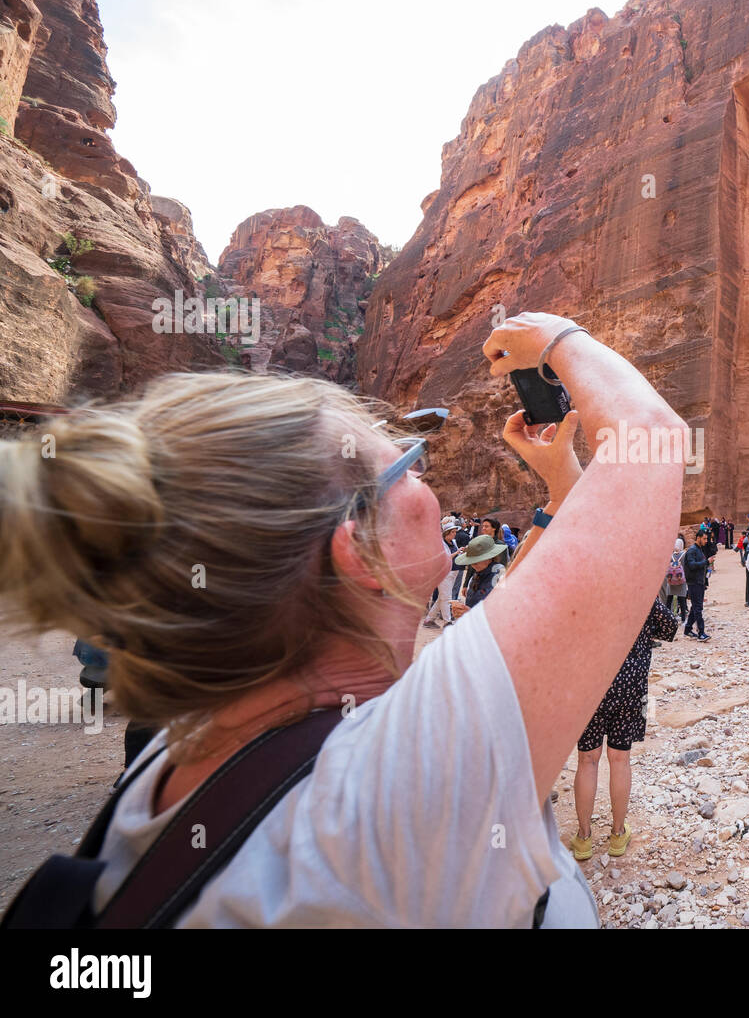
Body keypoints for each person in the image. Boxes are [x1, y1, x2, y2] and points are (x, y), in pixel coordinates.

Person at [0, 311, 687, 928]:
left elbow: (516, 608)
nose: (432, 488)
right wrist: (559, 338)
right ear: (358, 547)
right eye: (410, 469)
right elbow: (652, 441)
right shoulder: (399, 791)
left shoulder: (184, 752)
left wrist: (563, 483)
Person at [570, 599, 679, 861]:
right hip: (630, 687)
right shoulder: (639, 590)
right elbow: (671, 628)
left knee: (587, 760)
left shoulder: (583, 592)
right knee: (620, 759)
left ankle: (584, 838)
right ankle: (618, 833)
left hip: (589, 686)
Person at [421, 516, 462, 628]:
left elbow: (455, 554)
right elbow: (445, 557)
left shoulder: (453, 542)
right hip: (444, 573)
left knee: (442, 597)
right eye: (453, 532)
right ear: (447, 533)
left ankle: (428, 620)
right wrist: (457, 552)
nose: (455, 534)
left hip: (454, 572)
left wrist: (461, 552)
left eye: (455, 532)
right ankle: (447, 622)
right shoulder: (440, 544)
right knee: (446, 597)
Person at [683, 529, 712, 641]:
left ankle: (687, 629)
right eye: (704, 538)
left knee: (695, 607)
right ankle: (701, 633)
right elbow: (691, 565)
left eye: (706, 539)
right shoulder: (692, 550)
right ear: (698, 538)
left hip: (699, 583)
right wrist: (706, 562)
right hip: (694, 583)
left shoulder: (699, 550)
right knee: (698, 608)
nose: (706, 541)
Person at [663, 537, 689, 621]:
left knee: (669, 600)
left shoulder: (670, 555)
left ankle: (668, 618)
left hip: (671, 581)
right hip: (680, 580)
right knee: (682, 601)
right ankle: (683, 620)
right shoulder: (684, 554)